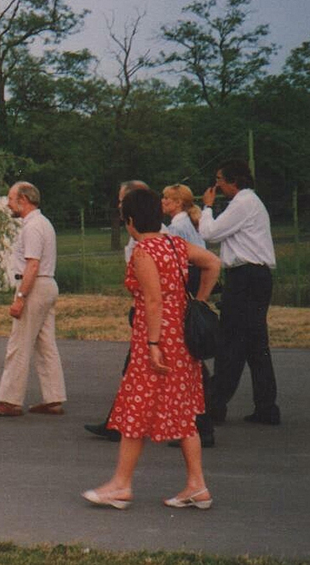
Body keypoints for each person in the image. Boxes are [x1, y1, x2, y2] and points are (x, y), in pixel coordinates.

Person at [82, 188, 220, 510]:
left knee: (136, 408)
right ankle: (197, 485)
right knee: (185, 413)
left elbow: (153, 298)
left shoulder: (144, 251)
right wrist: (197, 301)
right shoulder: (174, 243)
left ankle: (121, 484)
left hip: (157, 339)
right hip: (182, 339)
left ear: (130, 221)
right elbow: (213, 262)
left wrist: (154, 343)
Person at [200, 159, 280, 425]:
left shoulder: (242, 203)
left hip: (245, 277)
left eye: (220, 180)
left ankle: (214, 404)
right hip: (257, 277)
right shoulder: (249, 202)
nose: (217, 185)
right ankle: (266, 406)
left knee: (231, 340)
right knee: (257, 345)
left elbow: (210, 233)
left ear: (234, 181)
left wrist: (207, 208)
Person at [0, 182, 66, 416]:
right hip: (47, 284)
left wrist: (20, 297)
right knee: (45, 343)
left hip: (35, 285)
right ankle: (54, 398)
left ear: (23, 200)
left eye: (11, 199)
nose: (8, 204)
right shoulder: (44, 223)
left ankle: (9, 400)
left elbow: (32, 264)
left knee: (19, 343)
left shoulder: (32, 227)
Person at [84, 180, 153, 440]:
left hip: (153, 314)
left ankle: (120, 425)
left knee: (138, 367)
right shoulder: (136, 235)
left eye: (122, 201)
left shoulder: (151, 238)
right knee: (137, 368)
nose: (118, 206)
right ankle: (119, 422)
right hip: (145, 310)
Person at [162, 183, 215, 448]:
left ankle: (199, 424)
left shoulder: (176, 228)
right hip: (193, 284)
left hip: (186, 286)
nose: (163, 202)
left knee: (187, 360)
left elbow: (181, 262)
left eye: (167, 199)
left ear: (178, 204)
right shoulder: (187, 224)